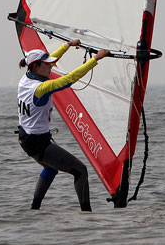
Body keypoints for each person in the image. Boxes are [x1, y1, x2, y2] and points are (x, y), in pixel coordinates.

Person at [17, 39, 109, 211]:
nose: (51, 67)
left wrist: (67, 46)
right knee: (80, 171)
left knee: (51, 168)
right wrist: (96, 59)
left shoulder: (26, 78)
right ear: (36, 67)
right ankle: (87, 215)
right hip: (38, 143)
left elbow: (49, 61)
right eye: (47, 65)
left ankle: (34, 210)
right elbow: (69, 79)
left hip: (25, 139)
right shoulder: (40, 88)